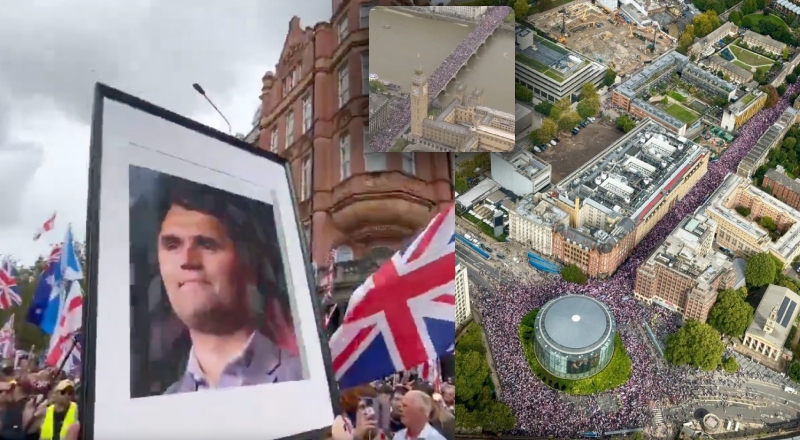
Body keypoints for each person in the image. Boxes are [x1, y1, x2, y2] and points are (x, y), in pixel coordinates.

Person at [157, 182, 302, 393]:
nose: (187, 260)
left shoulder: (301, 378)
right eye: (172, 245)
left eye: (206, 244)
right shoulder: (164, 404)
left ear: (248, 261)